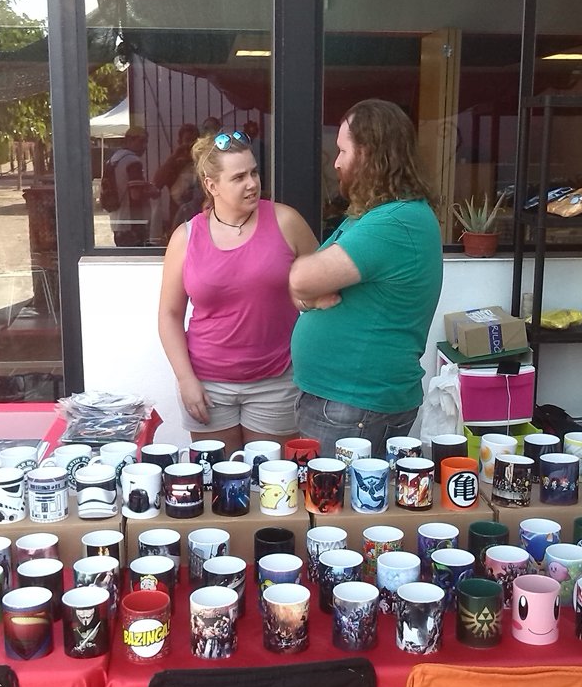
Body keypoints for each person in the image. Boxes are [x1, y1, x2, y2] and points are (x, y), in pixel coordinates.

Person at [288, 99, 443, 457]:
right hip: (344, 403)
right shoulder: (370, 216)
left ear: (369, 154)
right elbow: (303, 289)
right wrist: (310, 295)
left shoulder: (395, 223)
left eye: (343, 151)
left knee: (335, 497)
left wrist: (309, 291)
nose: (336, 162)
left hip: (355, 407)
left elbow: (301, 277)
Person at [158, 130, 319, 453]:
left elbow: (323, 287)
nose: (252, 183)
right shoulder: (186, 237)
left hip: (276, 380)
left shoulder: (286, 221)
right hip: (207, 384)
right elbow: (169, 315)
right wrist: (186, 380)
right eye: (239, 177)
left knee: (271, 479)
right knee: (220, 479)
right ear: (212, 185)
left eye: (254, 172)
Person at [108, 126, 157, 247]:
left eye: (146, 142)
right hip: (133, 223)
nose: (144, 146)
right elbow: (136, 195)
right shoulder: (133, 162)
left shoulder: (114, 159)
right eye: (141, 141)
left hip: (117, 221)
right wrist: (153, 192)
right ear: (129, 140)